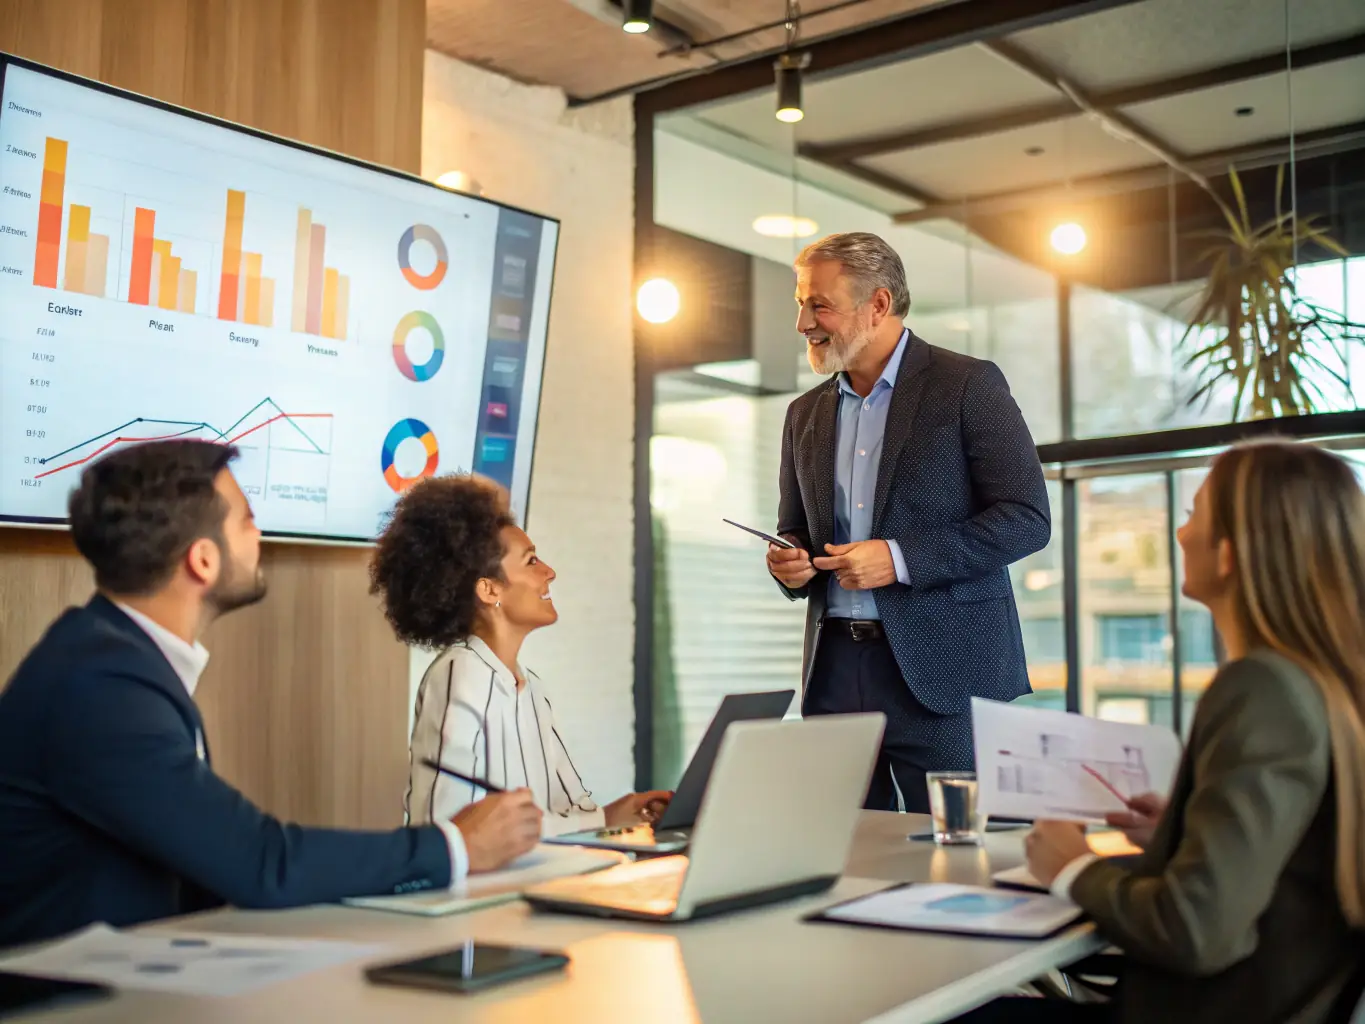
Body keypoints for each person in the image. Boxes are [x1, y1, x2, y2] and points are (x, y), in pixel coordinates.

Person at [0, 440, 543, 949]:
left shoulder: (117, 662)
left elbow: (207, 864)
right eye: (247, 520)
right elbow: (258, 861)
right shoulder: (102, 686)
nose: (258, 534)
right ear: (203, 560)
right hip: (62, 996)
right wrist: (456, 846)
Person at [962, 441, 1365, 1022]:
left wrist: (1073, 867)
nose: (1180, 533)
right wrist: (1179, 836)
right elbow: (1293, 862)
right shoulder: (1331, 684)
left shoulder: (1263, 687)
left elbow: (1196, 931)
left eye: (1193, 515)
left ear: (1229, 554)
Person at [767, 231, 1049, 812]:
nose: (803, 323)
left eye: (819, 305)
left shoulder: (967, 384)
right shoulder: (804, 413)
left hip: (946, 676)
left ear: (878, 304)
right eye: (800, 304)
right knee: (845, 849)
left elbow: (1027, 518)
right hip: (834, 673)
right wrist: (790, 562)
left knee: (959, 852)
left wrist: (897, 559)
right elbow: (796, 529)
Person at [369, 474, 670, 835]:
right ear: (489, 589)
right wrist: (597, 820)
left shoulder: (533, 690)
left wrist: (622, 812)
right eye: (531, 561)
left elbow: (571, 810)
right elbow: (446, 829)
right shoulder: (460, 675)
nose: (549, 572)